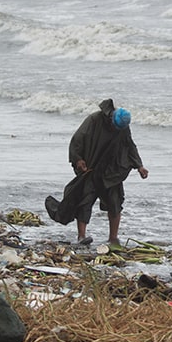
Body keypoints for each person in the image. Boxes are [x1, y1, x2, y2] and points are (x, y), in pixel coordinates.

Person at [67, 98, 148, 245]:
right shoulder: (94, 120)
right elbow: (77, 139)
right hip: (91, 168)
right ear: (111, 117)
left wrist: (139, 166)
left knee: (115, 203)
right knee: (85, 201)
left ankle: (113, 237)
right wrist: (78, 159)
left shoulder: (123, 127)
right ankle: (81, 236)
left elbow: (130, 146)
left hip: (111, 172)